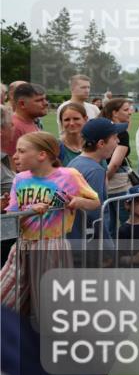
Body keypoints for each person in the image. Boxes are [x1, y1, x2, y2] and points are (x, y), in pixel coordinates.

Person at [0, 132, 100, 317]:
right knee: (5, 295)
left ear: (42, 155)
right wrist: (28, 210)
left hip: (51, 246)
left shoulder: (69, 175)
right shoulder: (20, 179)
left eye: (21, 151)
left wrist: (78, 201)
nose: (15, 156)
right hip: (22, 245)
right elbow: (11, 217)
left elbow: (95, 202)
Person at [68, 118, 127, 252]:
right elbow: (96, 214)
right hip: (88, 242)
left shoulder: (75, 162)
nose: (118, 142)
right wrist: (108, 247)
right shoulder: (95, 171)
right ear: (101, 143)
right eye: (114, 138)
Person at [2, 83, 46, 157]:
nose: (45, 103)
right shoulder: (14, 127)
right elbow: (10, 163)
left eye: (45, 99)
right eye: (39, 100)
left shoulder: (30, 121)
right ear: (22, 104)